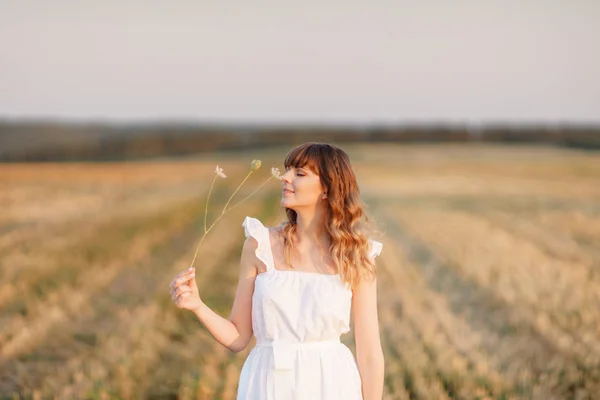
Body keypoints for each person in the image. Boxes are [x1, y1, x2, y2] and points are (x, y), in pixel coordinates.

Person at [169, 142, 384, 399]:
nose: (285, 177)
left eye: (299, 173)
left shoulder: (355, 256)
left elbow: (370, 353)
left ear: (327, 188)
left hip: (331, 383)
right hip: (268, 383)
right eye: (287, 170)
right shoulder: (259, 246)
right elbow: (238, 337)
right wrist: (197, 306)